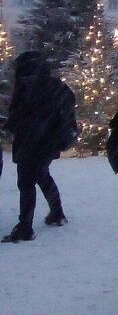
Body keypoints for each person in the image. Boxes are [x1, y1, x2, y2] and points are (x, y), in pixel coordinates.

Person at [2, 51, 76, 243]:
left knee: (26, 182)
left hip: (31, 142)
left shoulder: (27, 87)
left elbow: (21, 117)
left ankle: (25, 227)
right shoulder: (54, 86)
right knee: (41, 176)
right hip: (48, 143)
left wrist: (9, 124)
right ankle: (57, 213)